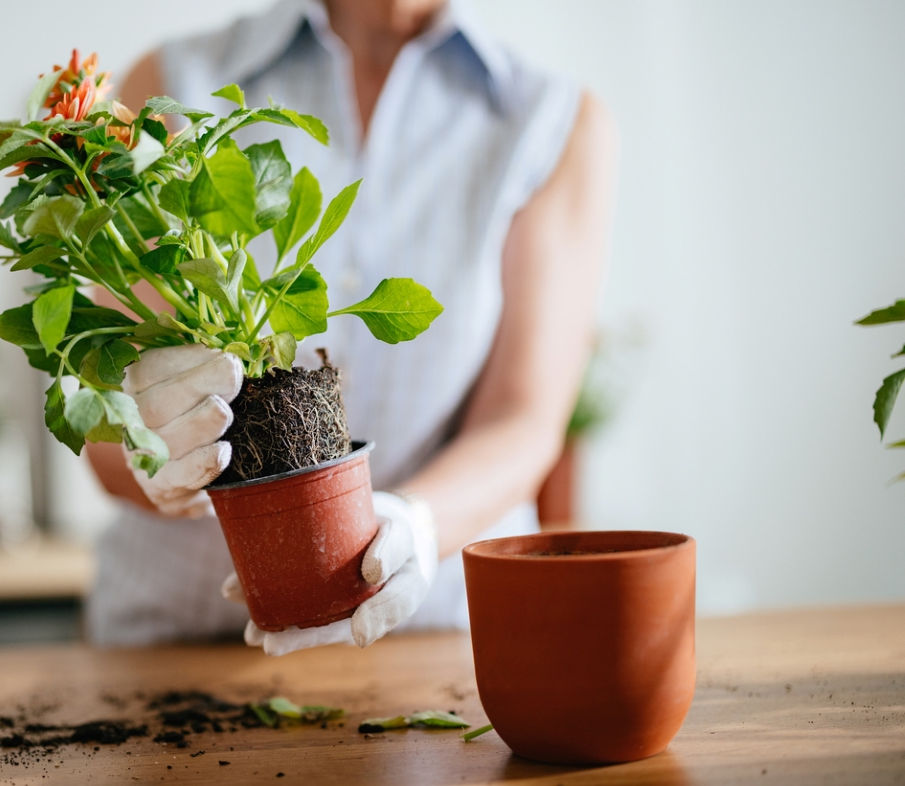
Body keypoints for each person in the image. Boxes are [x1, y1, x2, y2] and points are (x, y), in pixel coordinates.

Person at [85, 0, 617, 654]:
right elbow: (106, 424)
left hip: (426, 647)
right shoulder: (171, 84)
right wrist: (151, 448)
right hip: (177, 651)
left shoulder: (549, 121)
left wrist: (412, 526)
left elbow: (525, 418)